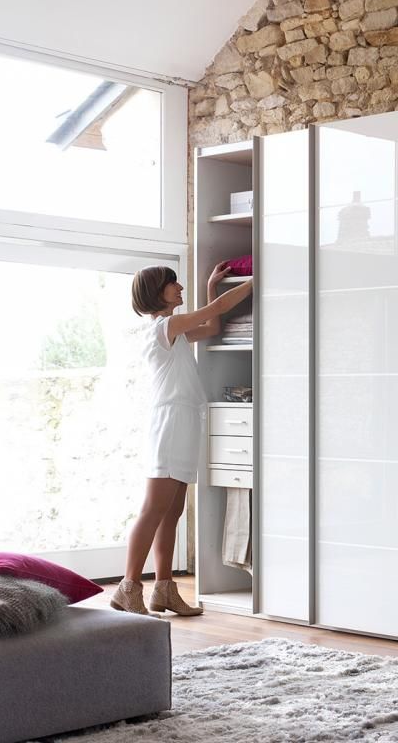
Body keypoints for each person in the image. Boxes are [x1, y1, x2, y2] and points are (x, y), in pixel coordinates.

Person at [112, 262, 253, 616]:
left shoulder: (175, 331)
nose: (179, 287)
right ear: (155, 292)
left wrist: (210, 286)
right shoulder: (165, 327)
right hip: (170, 422)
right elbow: (217, 311)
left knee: (172, 512)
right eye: (171, 283)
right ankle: (129, 588)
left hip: (185, 421)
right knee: (153, 509)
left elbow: (212, 326)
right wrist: (258, 277)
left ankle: (164, 590)